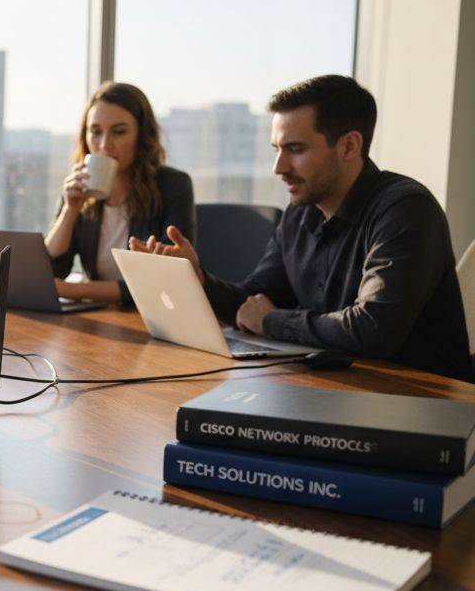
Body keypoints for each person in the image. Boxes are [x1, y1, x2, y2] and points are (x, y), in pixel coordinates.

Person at [131, 74, 472, 382]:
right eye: (277, 150)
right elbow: (254, 302)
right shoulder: (300, 213)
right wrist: (198, 280)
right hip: (336, 388)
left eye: (295, 149)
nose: (279, 167)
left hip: (423, 400)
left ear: (349, 146)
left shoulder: (405, 209)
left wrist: (271, 321)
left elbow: (373, 330)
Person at [46, 81, 195, 305]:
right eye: (95, 132)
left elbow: (164, 280)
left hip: (154, 315)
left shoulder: (173, 186)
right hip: (99, 317)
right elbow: (51, 271)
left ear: (141, 136)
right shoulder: (80, 189)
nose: (105, 145)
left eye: (119, 132)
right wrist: (70, 210)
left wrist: (78, 290)